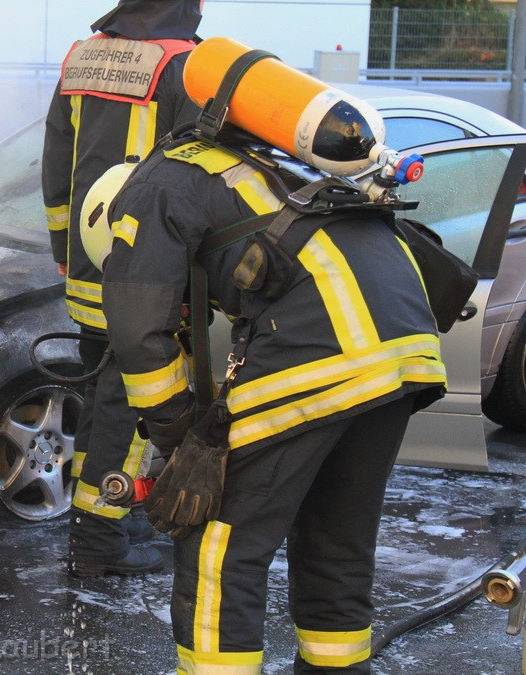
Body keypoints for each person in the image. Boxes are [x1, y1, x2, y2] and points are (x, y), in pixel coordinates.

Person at [99, 128, 448, 669]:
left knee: (217, 544)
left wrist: (184, 448)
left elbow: (140, 335)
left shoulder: (143, 199)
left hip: (324, 341)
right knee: (337, 542)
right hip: (404, 346)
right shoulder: (243, 165)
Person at [41, 0, 208, 577]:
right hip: (147, 273)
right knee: (130, 411)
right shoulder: (185, 64)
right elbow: (198, 176)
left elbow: (56, 162)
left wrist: (65, 252)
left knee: (100, 407)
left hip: (88, 267)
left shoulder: (83, 56)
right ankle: (98, 541)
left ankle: (92, 522)